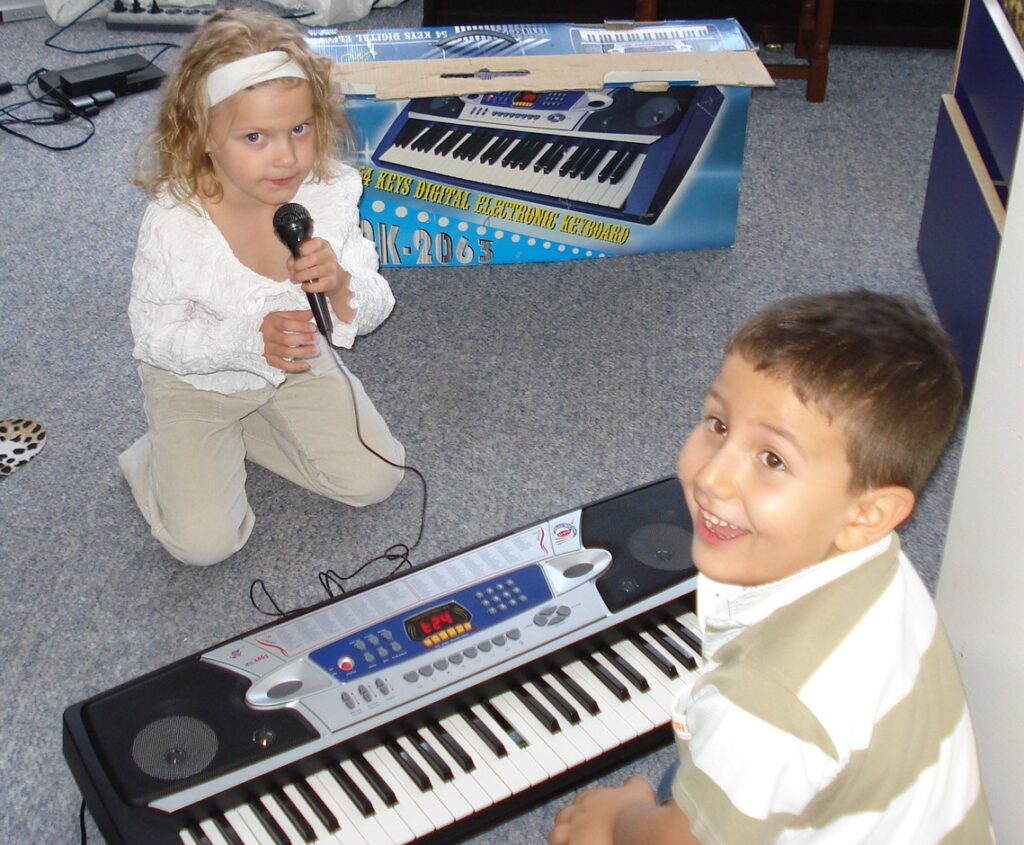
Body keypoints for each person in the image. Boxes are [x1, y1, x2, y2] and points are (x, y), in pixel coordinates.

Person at [548, 290, 994, 844]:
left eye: (772, 459)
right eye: (718, 423)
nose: (713, 477)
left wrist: (619, 819)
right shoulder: (873, 560)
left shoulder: (766, 706)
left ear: (870, 513)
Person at [119, 10, 403, 566]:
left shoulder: (327, 194)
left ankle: (241, 436)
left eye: (300, 128)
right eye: (254, 136)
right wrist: (253, 341)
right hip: (196, 377)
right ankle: (155, 455)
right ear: (203, 137)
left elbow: (371, 301)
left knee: (379, 478)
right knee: (203, 545)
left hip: (296, 361)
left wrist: (342, 285)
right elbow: (155, 337)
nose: (286, 156)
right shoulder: (176, 221)